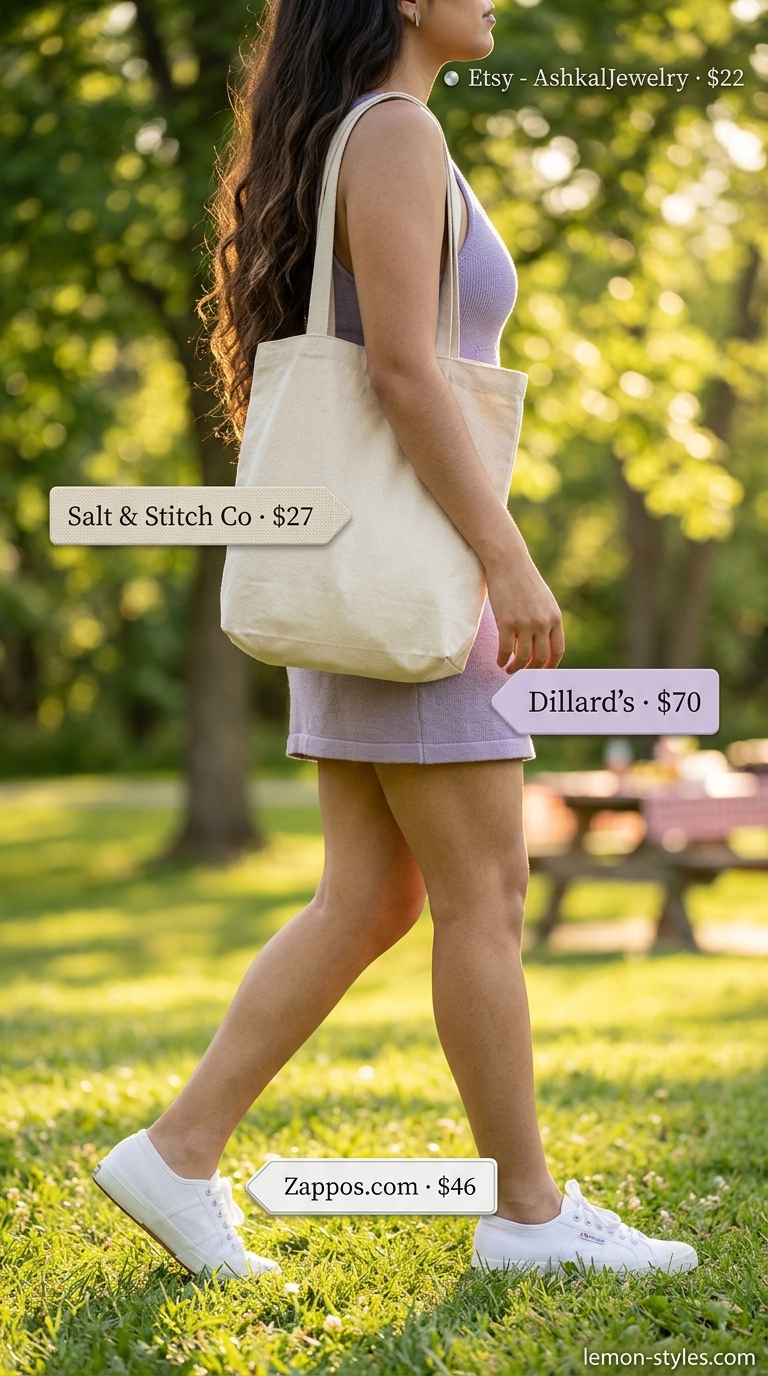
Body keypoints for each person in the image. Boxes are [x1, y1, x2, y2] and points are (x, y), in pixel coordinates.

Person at [93, 0, 697, 1279]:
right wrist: (509, 556)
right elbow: (409, 375)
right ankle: (527, 1213)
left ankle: (179, 1149)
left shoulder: (364, 133)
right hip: (414, 578)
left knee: (371, 893)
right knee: (483, 897)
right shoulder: (395, 135)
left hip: (369, 569)